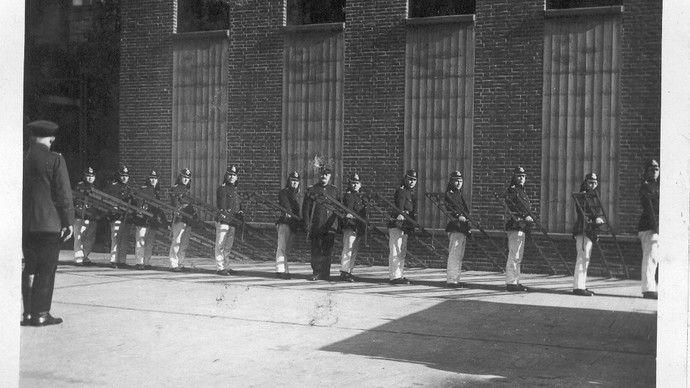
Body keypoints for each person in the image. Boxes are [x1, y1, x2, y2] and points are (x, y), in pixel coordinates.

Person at [22, 120, 74, 326]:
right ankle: (41, 314)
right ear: (51, 138)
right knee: (46, 268)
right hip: (48, 224)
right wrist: (68, 221)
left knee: (30, 267)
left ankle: (27, 314)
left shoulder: (22, 158)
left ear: (32, 137)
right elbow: (63, 194)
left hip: (25, 224)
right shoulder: (55, 159)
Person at [302, 166, 339, 281]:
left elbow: (338, 208)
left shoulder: (334, 190)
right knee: (316, 250)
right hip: (317, 225)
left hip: (330, 226)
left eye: (326, 174)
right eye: (322, 174)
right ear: (319, 175)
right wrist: (307, 223)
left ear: (330, 176)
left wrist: (338, 226)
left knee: (328, 250)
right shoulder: (312, 189)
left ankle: (326, 273)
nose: (324, 176)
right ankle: (317, 272)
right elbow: (306, 209)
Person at [572, 173, 605, 296]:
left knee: (585, 259)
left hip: (590, 229)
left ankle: (581, 285)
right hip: (583, 228)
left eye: (595, 183)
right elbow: (585, 212)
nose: (593, 185)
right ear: (585, 182)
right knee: (582, 258)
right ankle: (578, 287)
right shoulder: (582, 196)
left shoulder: (593, 197)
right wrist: (596, 218)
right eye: (590, 182)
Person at [504, 166, 533, 292]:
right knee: (514, 254)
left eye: (523, 176)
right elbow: (514, 205)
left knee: (518, 256)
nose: (521, 178)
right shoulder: (513, 190)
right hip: (516, 225)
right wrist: (525, 215)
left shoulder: (522, 192)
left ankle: (515, 280)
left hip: (522, 226)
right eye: (519, 176)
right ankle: (511, 282)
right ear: (514, 177)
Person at [387, 169, 418, 285]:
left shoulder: (410, 192)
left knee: (402, 251)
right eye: (410, 179)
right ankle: (394, 276)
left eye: (414, 180)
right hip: (397, 224)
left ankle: (399, 274)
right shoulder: (402, 191)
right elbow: (399, 205)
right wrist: (400, 213)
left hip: (405, 225)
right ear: (405, 179)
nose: (412, 182)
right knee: (396, 250)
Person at [132, 170, 164, 270]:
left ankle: (146, 262)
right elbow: (138, 203)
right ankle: (139, 262)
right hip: (143, 220)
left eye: (155, 178)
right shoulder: (143, 190)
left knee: (149, 243)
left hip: (152, 221)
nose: (153, 180)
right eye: (151, 178)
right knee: (140, 241)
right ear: (148, 179)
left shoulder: (156, 191)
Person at [214, 166, 242, 276]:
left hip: (233, 220)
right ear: (226, 176)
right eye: (230, 175)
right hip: (224, 219)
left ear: (236, 177)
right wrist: (224, 215)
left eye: (234, 175)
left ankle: (226, 266)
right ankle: (220, 267)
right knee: (220, 244)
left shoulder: (235, 189)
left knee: (228, 245)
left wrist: (240, 212)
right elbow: (221, 204)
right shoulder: (222, 188)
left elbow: (237, 204)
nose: (232, 177)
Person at [444, 171, 471, 288]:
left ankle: (456, 279)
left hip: (462, 228)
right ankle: (452, 280)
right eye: (456, 181)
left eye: (460, 181)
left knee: (459, 254)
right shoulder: (449, 194)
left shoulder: (458, 194)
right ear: (451, 181)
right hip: (455, 227)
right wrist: (458, 216)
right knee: (454, 254)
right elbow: (451, 208)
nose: (459, 183)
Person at [638, 159, 660, 299]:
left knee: (654, 258)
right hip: (649, 227)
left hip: (655, 227)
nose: (654, 172)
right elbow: (650, 210)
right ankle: (648, 289)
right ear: (646, 171)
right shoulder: (646, 187)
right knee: (650, 258)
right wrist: (656, 227)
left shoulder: (656, 187)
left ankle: (651, 287)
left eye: (656, 169)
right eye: (651, 169)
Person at [105, 165, 134, 268]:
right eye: (122, 176)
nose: (124, 178)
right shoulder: (113, 187)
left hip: (127, 218)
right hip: (117, 217)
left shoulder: (129, 189)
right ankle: (113, 260)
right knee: (116, 239)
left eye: (126, 176)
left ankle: (122, 261)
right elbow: (109, 202)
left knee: (125, 239)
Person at [339, 173, 366, 282]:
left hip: (358, 226)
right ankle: (344, 272)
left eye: (357, 183)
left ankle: (349, 271)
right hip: (350, 226)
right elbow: (348, 211)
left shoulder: (361, 196)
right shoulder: (348, 196)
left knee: (354, 250)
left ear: (360, 184)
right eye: (353, 183)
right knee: (348, 249)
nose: (355, 185)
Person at [169, 168, 196, 272]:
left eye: (188, 178)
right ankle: (173, 264)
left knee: (184, 242)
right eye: (184, 177)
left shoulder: (187, 192)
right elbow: (175, 203)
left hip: (188, 219)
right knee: (176, 241)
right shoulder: (174, 188)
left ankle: (180, 262)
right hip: (179, 218)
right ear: (180, 177)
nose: (186, 179)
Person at [275, 171, 301, 279]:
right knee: (281, 247)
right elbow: (285, 202)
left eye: (296, 181)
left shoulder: (296, 195)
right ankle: (280, 270)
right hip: (285, 223)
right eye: (292, 180)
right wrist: (288, 210)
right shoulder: (284, 192)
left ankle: (285, 269)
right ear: (288, 181)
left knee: (287, 249)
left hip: (293, 224)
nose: (294, 183)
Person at [73, 166, 99, 266]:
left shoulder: (95, 188)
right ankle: (78, 259)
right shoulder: (79, 186)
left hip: (91, 217)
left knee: (90, 238)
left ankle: (85, 257)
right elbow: (74, 200)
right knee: (79, 237)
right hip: (80, 216)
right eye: (88, 176)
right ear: (84, 176)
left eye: (92, 176)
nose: (90, 178)